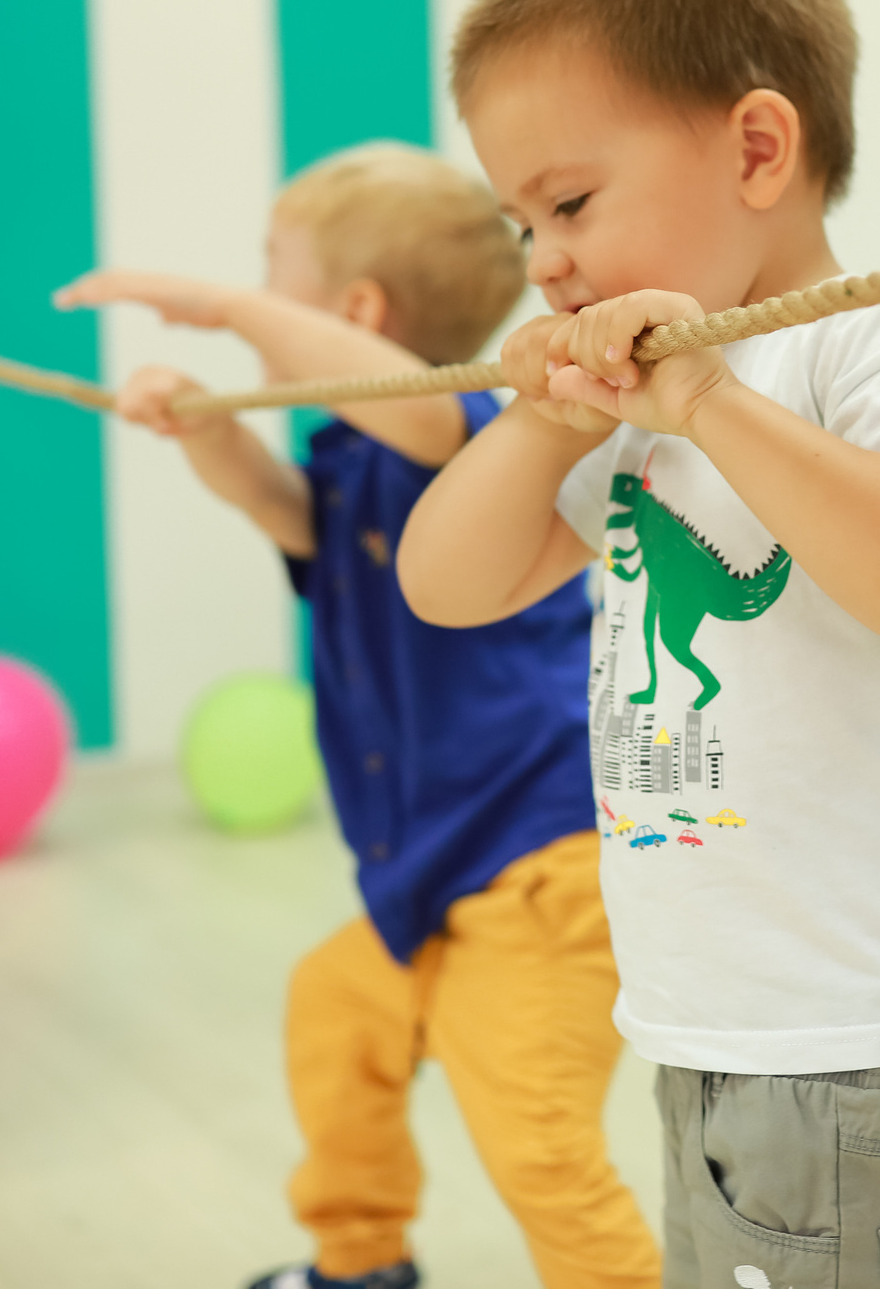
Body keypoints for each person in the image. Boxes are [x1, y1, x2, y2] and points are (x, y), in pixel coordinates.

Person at [396, 0, 880, 1288]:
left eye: (569, 199)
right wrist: (545, 421)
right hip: (712, 1028)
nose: (547, 260)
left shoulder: (864, 347)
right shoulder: (630, 397)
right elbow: (446, 582)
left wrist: (710, 407)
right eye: (523, 226)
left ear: (759, 146)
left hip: (856, 1056)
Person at [58, 145, 658, 1289]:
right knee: (333, 1015)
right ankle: (360, 1261)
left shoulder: (469, 420)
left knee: (535, 1143)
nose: (254, 300)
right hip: (430, 872)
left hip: (539, 872)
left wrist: (225, 311)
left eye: (270, 277)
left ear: (356, 311)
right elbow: (281, 512)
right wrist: (205, 430)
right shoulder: (341, 467)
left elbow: (422, 424)